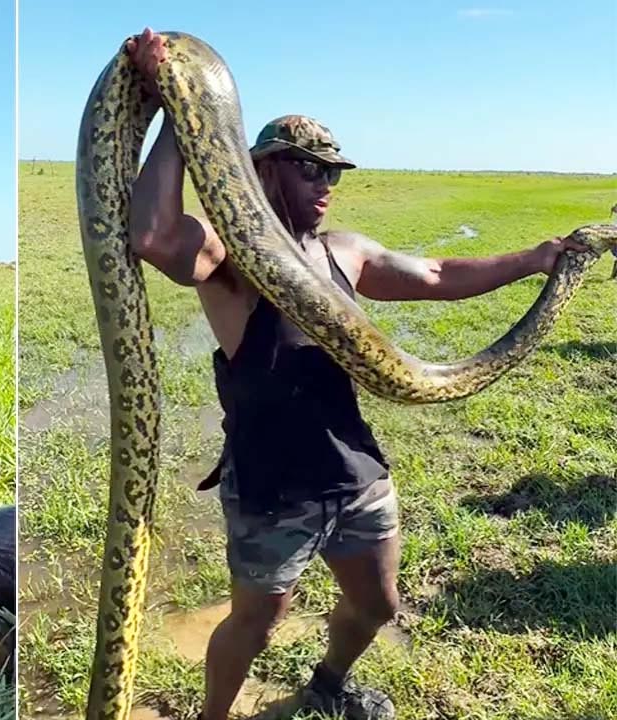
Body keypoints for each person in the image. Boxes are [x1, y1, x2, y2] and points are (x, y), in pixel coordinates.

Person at [124, 28, 586, 720]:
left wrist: (536, 258)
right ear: (266, 168)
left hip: (354, 472)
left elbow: (435, 273)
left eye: (334, 174)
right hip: (270, 484)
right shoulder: (231, 262)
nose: (328, 187)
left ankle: (327, 686)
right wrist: (172, 110)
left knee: (378, 602)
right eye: (314, 169)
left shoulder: (344, 253)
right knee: (258, 618)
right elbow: (155, 237)